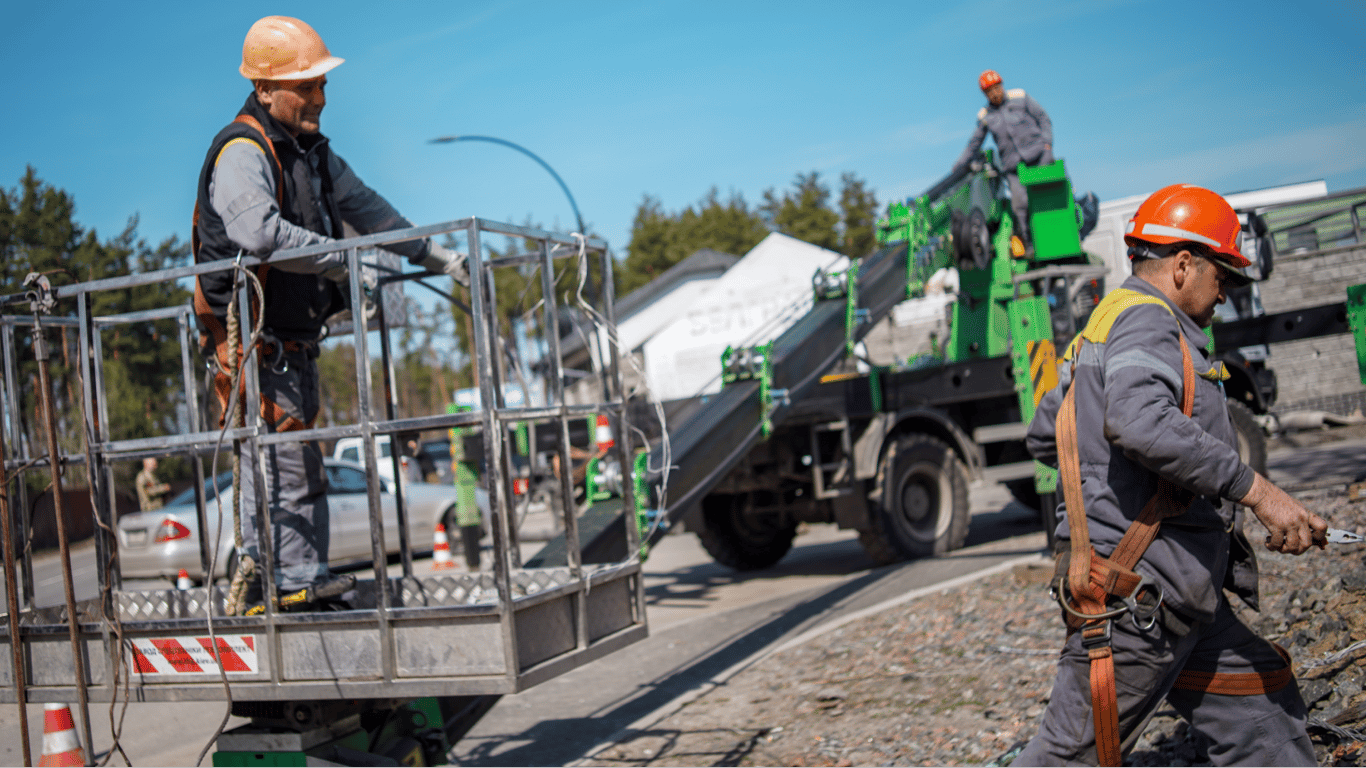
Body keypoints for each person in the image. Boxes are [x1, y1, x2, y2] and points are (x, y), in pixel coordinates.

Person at [1014, 184, 1327, 766]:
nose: (1225, 295)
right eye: (1223, 277)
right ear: (1184, 264)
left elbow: (1043, 432)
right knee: (1065, 756)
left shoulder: (1100, 327)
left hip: (1180, 599)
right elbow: (1138, 421)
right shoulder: (1150, 322)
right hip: (1136, 605)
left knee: (1265, 716)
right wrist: (1257, 491)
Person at [193, 15, 468, 614]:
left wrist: (436, 255)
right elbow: (258, 233)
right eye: (305, 85)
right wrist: (339, 264)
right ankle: (280, 582)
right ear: (265, 89)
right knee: (282, 467)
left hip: (293, 342)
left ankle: (298, 582)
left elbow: (369, 210)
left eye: (321, 83)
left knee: (302, 467)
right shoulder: (245, 151)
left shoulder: (312, 154)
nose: (320, 96)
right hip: (253, 348)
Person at [951, 69, 1053, 248]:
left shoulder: (1020, 97)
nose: (994, 93)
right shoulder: (985, 116)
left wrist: (1047, 144)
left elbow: (1043, 118)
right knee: (1020, 205)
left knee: (1048, 197)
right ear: (985, 94)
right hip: (1014, 167)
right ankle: (1029, 244)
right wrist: (959, 165)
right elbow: (974, 144)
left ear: (1001, 86)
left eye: (996, 88)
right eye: (989, 91)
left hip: (1038, 156)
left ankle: (1055, 238)